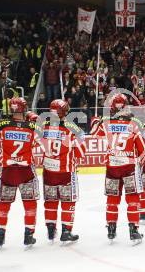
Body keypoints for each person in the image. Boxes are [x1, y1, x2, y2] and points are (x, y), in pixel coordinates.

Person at [90, 93, 145, 245]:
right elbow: (144, 151)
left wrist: (95, 120)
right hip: (129, 167)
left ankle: (111, 229)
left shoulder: (106, 122)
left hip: (112, 167)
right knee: (133, 199)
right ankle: (134, 230)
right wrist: (139, 165)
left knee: (112, 200)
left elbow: (93, 133)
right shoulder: (133, 124)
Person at [0, 97, 41, 249]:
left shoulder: (1, 127)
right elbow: (40, 140)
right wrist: (34, 120)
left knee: (3, 204)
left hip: (8, 170)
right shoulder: (31, 127)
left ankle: (0, 235)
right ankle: (28, 235)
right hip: (25, 171)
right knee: (30, 203)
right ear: (24, 109)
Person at [40, 99, 85, 244]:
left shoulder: (42, 126)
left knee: (50, 202)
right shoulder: (72, 128)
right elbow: (81, 152)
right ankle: (66, 231)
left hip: (48, 171)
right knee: (68, 202)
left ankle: (51, 231)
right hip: (66, 171)